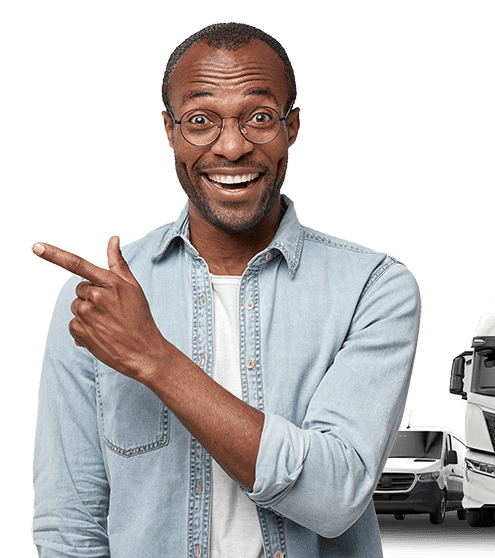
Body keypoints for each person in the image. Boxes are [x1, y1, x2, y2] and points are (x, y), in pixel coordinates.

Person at [31, 22, 421, 558]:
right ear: (169, 131)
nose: (232, 147)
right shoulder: (97, 300)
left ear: (293, 127)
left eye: (259, 118)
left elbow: (335, 496)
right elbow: (70, 524)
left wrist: (154, 358)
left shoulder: (372, 288)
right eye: (200, 121)